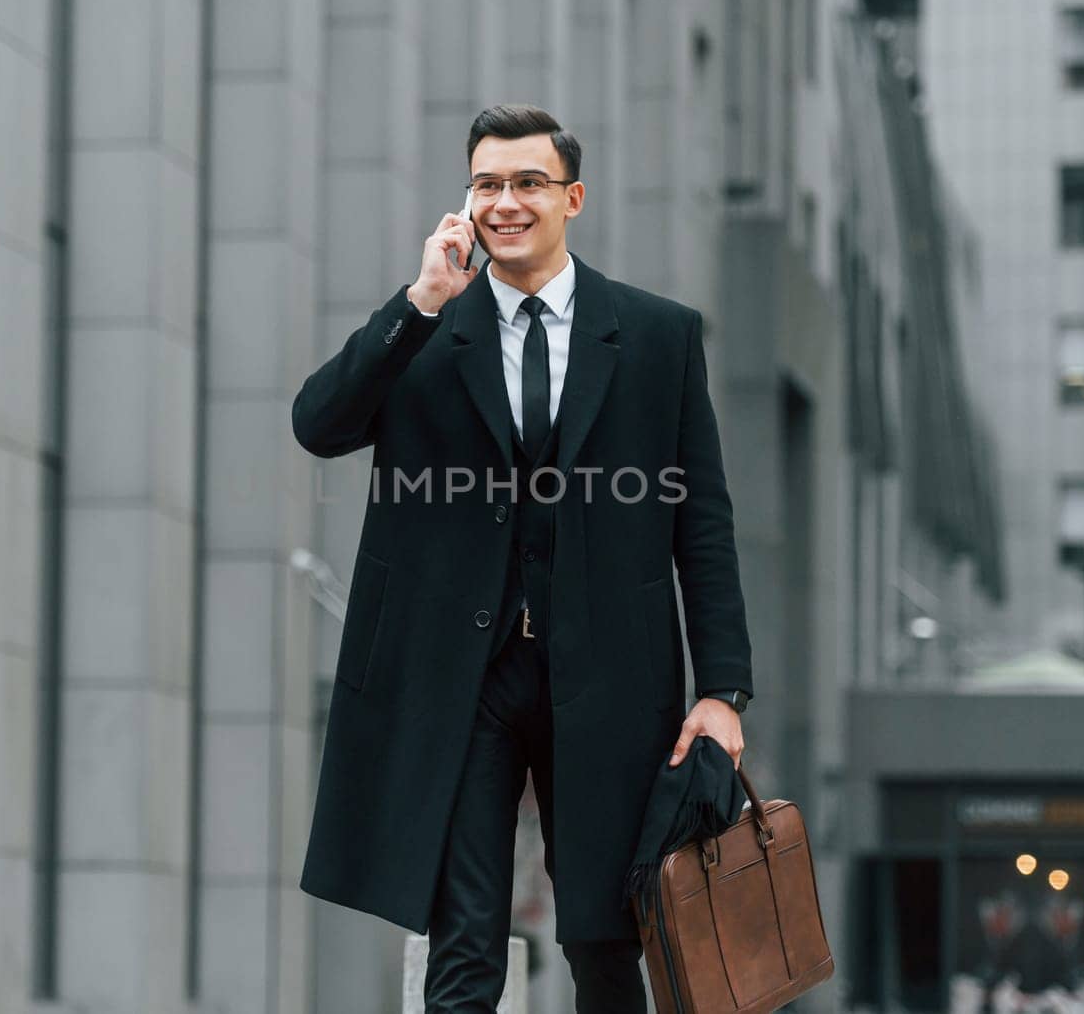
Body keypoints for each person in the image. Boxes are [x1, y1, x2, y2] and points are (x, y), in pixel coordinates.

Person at [294, 104, 753, 1013]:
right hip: (464, 677)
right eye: (487, 184)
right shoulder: (426, 333)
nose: (506, 201)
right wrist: (422, 300)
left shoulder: (658, 336)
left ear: (571, 197)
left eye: (527, 183)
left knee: (604, 939)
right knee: (464, 939)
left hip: (612, 677)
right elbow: (320, 424)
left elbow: (701, 522)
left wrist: (722, 690)